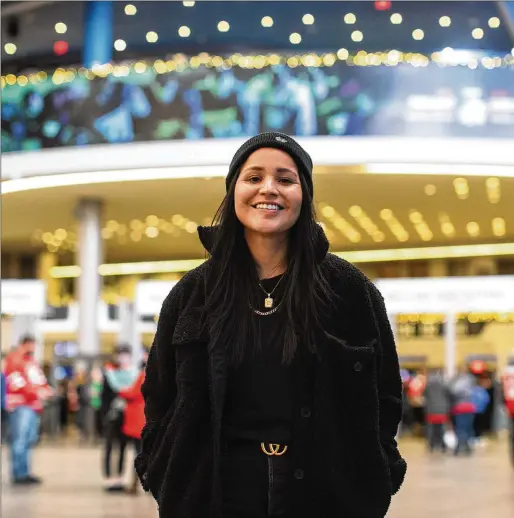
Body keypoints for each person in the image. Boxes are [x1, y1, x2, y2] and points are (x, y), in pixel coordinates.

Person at [135, 132, 407, 518]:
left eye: (285, 179)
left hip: (324, 495)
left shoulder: (349, 290)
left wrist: (377, 472)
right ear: (233, 191)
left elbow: (386, 395)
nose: (269, 189)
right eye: (253, 177)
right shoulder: (192, 293)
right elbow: (159, 394)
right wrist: (161, 470)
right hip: (212, 494)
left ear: (304, 194)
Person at [4, 335, 53, 484]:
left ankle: (25, 471)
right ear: (25, 344)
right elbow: (16, 381)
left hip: (33, 406)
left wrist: (46, 390)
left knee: (29, 440)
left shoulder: (31, 362)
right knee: (19, 439)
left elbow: (39, 380)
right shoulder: (14, 359)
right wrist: (36, 392)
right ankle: (18, 473)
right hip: (21, 406)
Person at [101, 345, 138, 491]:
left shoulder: (135, 374)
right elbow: (104, 398)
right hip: (111, 415)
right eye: (119, 354)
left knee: (123, 447)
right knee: (109, 446)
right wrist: (104, 416)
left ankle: (120, 478)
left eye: (125, 355)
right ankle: (109, 478)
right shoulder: (109, 373)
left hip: (127, 416)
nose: (122, 358)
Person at [118, 368, 146, 494]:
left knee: (138, 453)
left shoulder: (143, 375)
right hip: (145, 420)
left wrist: (121, 390)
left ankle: (136, 484)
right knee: (143, 453)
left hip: (138, 422)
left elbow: (134, 393)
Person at [449, 366, 477, 456]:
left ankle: (458, 448)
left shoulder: (457, 382)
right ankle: (467, 448)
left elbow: (453, 391)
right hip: (470, 407)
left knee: (460, 428)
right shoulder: (471, 380)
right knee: (468, 428)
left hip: (460, 408)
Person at [423, 369, 450, 453]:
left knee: (431, 428)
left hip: (431, 410)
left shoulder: (427, 386)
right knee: (441, 428)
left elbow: (425, 396)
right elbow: (449, 395)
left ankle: (431, 445)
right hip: (442, 410)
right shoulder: (444, 385)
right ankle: (442, 445)